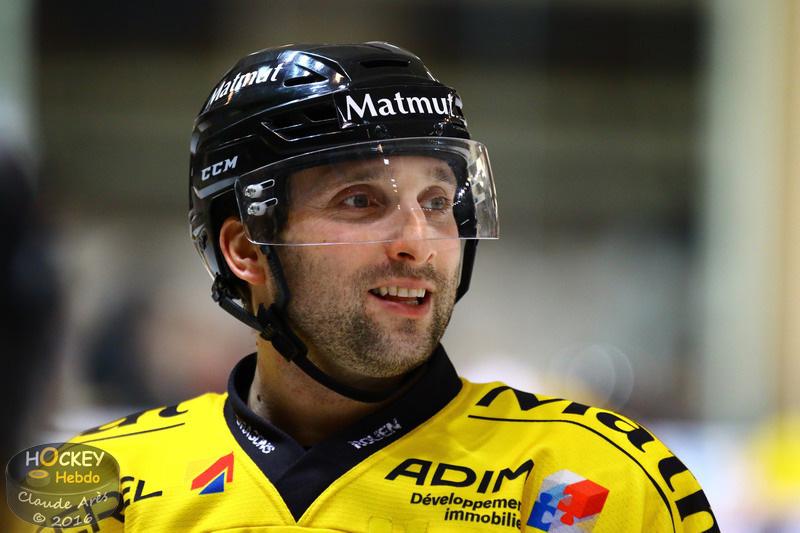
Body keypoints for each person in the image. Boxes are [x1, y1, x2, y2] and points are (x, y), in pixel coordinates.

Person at [13, 42, 717, 532]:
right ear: (245, 249)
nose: (418, 240)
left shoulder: (598, 481)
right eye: (360, 201)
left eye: (437, 202)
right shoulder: (94, 489)